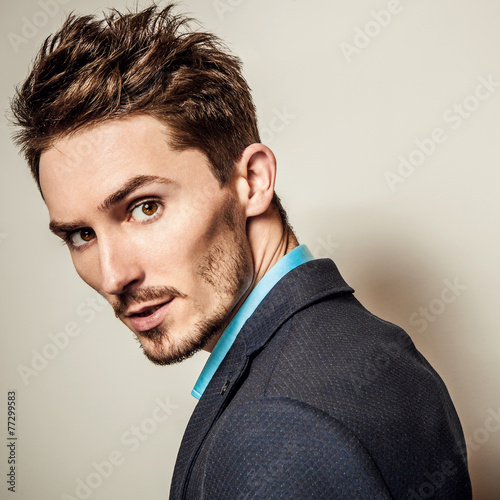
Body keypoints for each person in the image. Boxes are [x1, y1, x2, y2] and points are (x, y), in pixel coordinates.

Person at [10, 4, 471, 499]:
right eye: (81, 235)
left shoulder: (277, 431)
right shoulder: (377, 348)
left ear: (252, 181)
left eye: (145, 207)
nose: (112, 276)